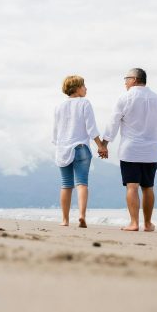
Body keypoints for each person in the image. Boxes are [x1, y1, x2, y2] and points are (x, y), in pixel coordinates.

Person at [101, 68, 157, 232]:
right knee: (148, 187)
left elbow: (113, 122)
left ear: (136, 79)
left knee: (132, 186)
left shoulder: (125, 97)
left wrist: (104, 144)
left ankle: (134, 223)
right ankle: (148, 224)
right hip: (151, 150)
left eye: (126, 78)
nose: (125, 82)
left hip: (130, 149)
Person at [53, 75, 107, 228]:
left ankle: (65, 220)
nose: (86, 88)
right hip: (81, 148)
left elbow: (55, 132)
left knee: (66, 185)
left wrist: (60, 146)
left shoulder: (59, 107)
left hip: (63, 148)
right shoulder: (84, 103)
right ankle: (82, 216)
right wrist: (101, 146)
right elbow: (91, 129)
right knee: (82, 183)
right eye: (84, 86)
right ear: (76, 88)